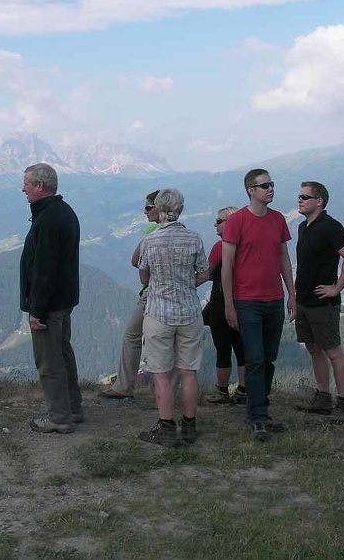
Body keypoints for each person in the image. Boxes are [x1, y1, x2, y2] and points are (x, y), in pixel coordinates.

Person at [222, 169, 295, 442]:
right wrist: (229, 305)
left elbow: (285, 260)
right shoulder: (237, 221)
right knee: (254, 359)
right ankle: (257, 417)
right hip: (247, 301)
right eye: (264, 186)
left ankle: (260, 408)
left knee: (267, 358)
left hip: (274, 299)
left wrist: (292, 294)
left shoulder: (278, 220)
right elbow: (226, 266)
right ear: (251, 190)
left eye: (272, 184)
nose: (271, 189)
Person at [137, 189, 209, 447]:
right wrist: (187, 285)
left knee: (161, 374)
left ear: (159, 207)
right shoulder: (194, 238)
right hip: (189, 311)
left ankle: (166, 428)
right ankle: (189, 426)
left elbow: (143, 275)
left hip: (159, 313)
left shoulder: (151, 241)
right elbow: (203, 273)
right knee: (189, 372)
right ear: (180, 208)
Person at [20, 163, 83, 434]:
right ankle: (72, 408)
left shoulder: (47, 219)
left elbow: (44, 270)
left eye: (26, 184)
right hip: (64, 299)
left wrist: (37, 310)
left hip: (50, 303)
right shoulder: (64, 211)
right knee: (63, 353)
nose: (22, 189)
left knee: (48, 361)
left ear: (39, 186)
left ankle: (59, 417)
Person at [294, 182, 344, 423]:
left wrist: (337, 288)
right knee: (313, 348)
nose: (300, 200)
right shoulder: (303, 227)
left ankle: (343, 403)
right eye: (299, 197)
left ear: (319, 201)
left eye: (305, 197)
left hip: (323, 302)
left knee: (333, 351)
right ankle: (322, 397)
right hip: (304, 300)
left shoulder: (331, 226)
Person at [99, 190, 160, 399]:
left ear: (160, 207)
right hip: (178, 297)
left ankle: (124, 386)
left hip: (152, 292)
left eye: (148, 207)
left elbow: (136, 262)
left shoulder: (152, 229)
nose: (145, 212)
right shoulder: (183, 232)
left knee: (132, 336)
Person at [204, 206, 246, 405]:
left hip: (220, 302)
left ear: (230, 222)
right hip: (245, 301)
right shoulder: (247, 245)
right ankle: (244, 390)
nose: (215, 224)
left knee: (223, 348)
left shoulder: (220, 248)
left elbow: (209, 272)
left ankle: (222, 392)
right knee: (242, 348)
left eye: (219, 221)